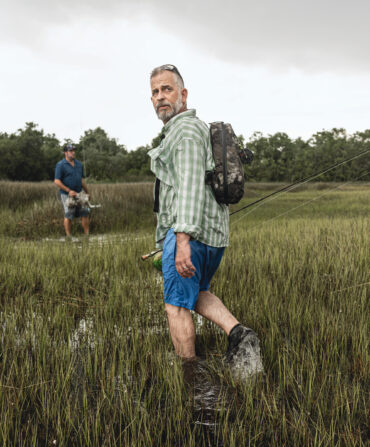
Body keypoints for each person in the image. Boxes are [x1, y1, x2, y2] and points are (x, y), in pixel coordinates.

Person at [148, 64, 263, 378]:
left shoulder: (184, 131)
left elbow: (186, 186)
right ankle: (240, 334)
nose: (160, 97)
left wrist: (181, 240)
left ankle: (190, 378)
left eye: (167, 89)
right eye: (155, 92)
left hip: (190, 233)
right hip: (212, 235)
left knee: (175, 305)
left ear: (183, 95)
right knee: (196, 291)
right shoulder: (193, 129)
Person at [54, 143, 90, 237]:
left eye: (74, 151)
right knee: (69, 214)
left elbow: (82, 180)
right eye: (71, 151)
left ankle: (87, 235)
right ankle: (69, 237)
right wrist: (68, 190)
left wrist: (87, 192)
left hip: (79, 193)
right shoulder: (60, 165)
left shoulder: (79, 164)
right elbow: (57, 181)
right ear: (65, 153)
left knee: (85, 213)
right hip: (66, 194)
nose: (73, 153)